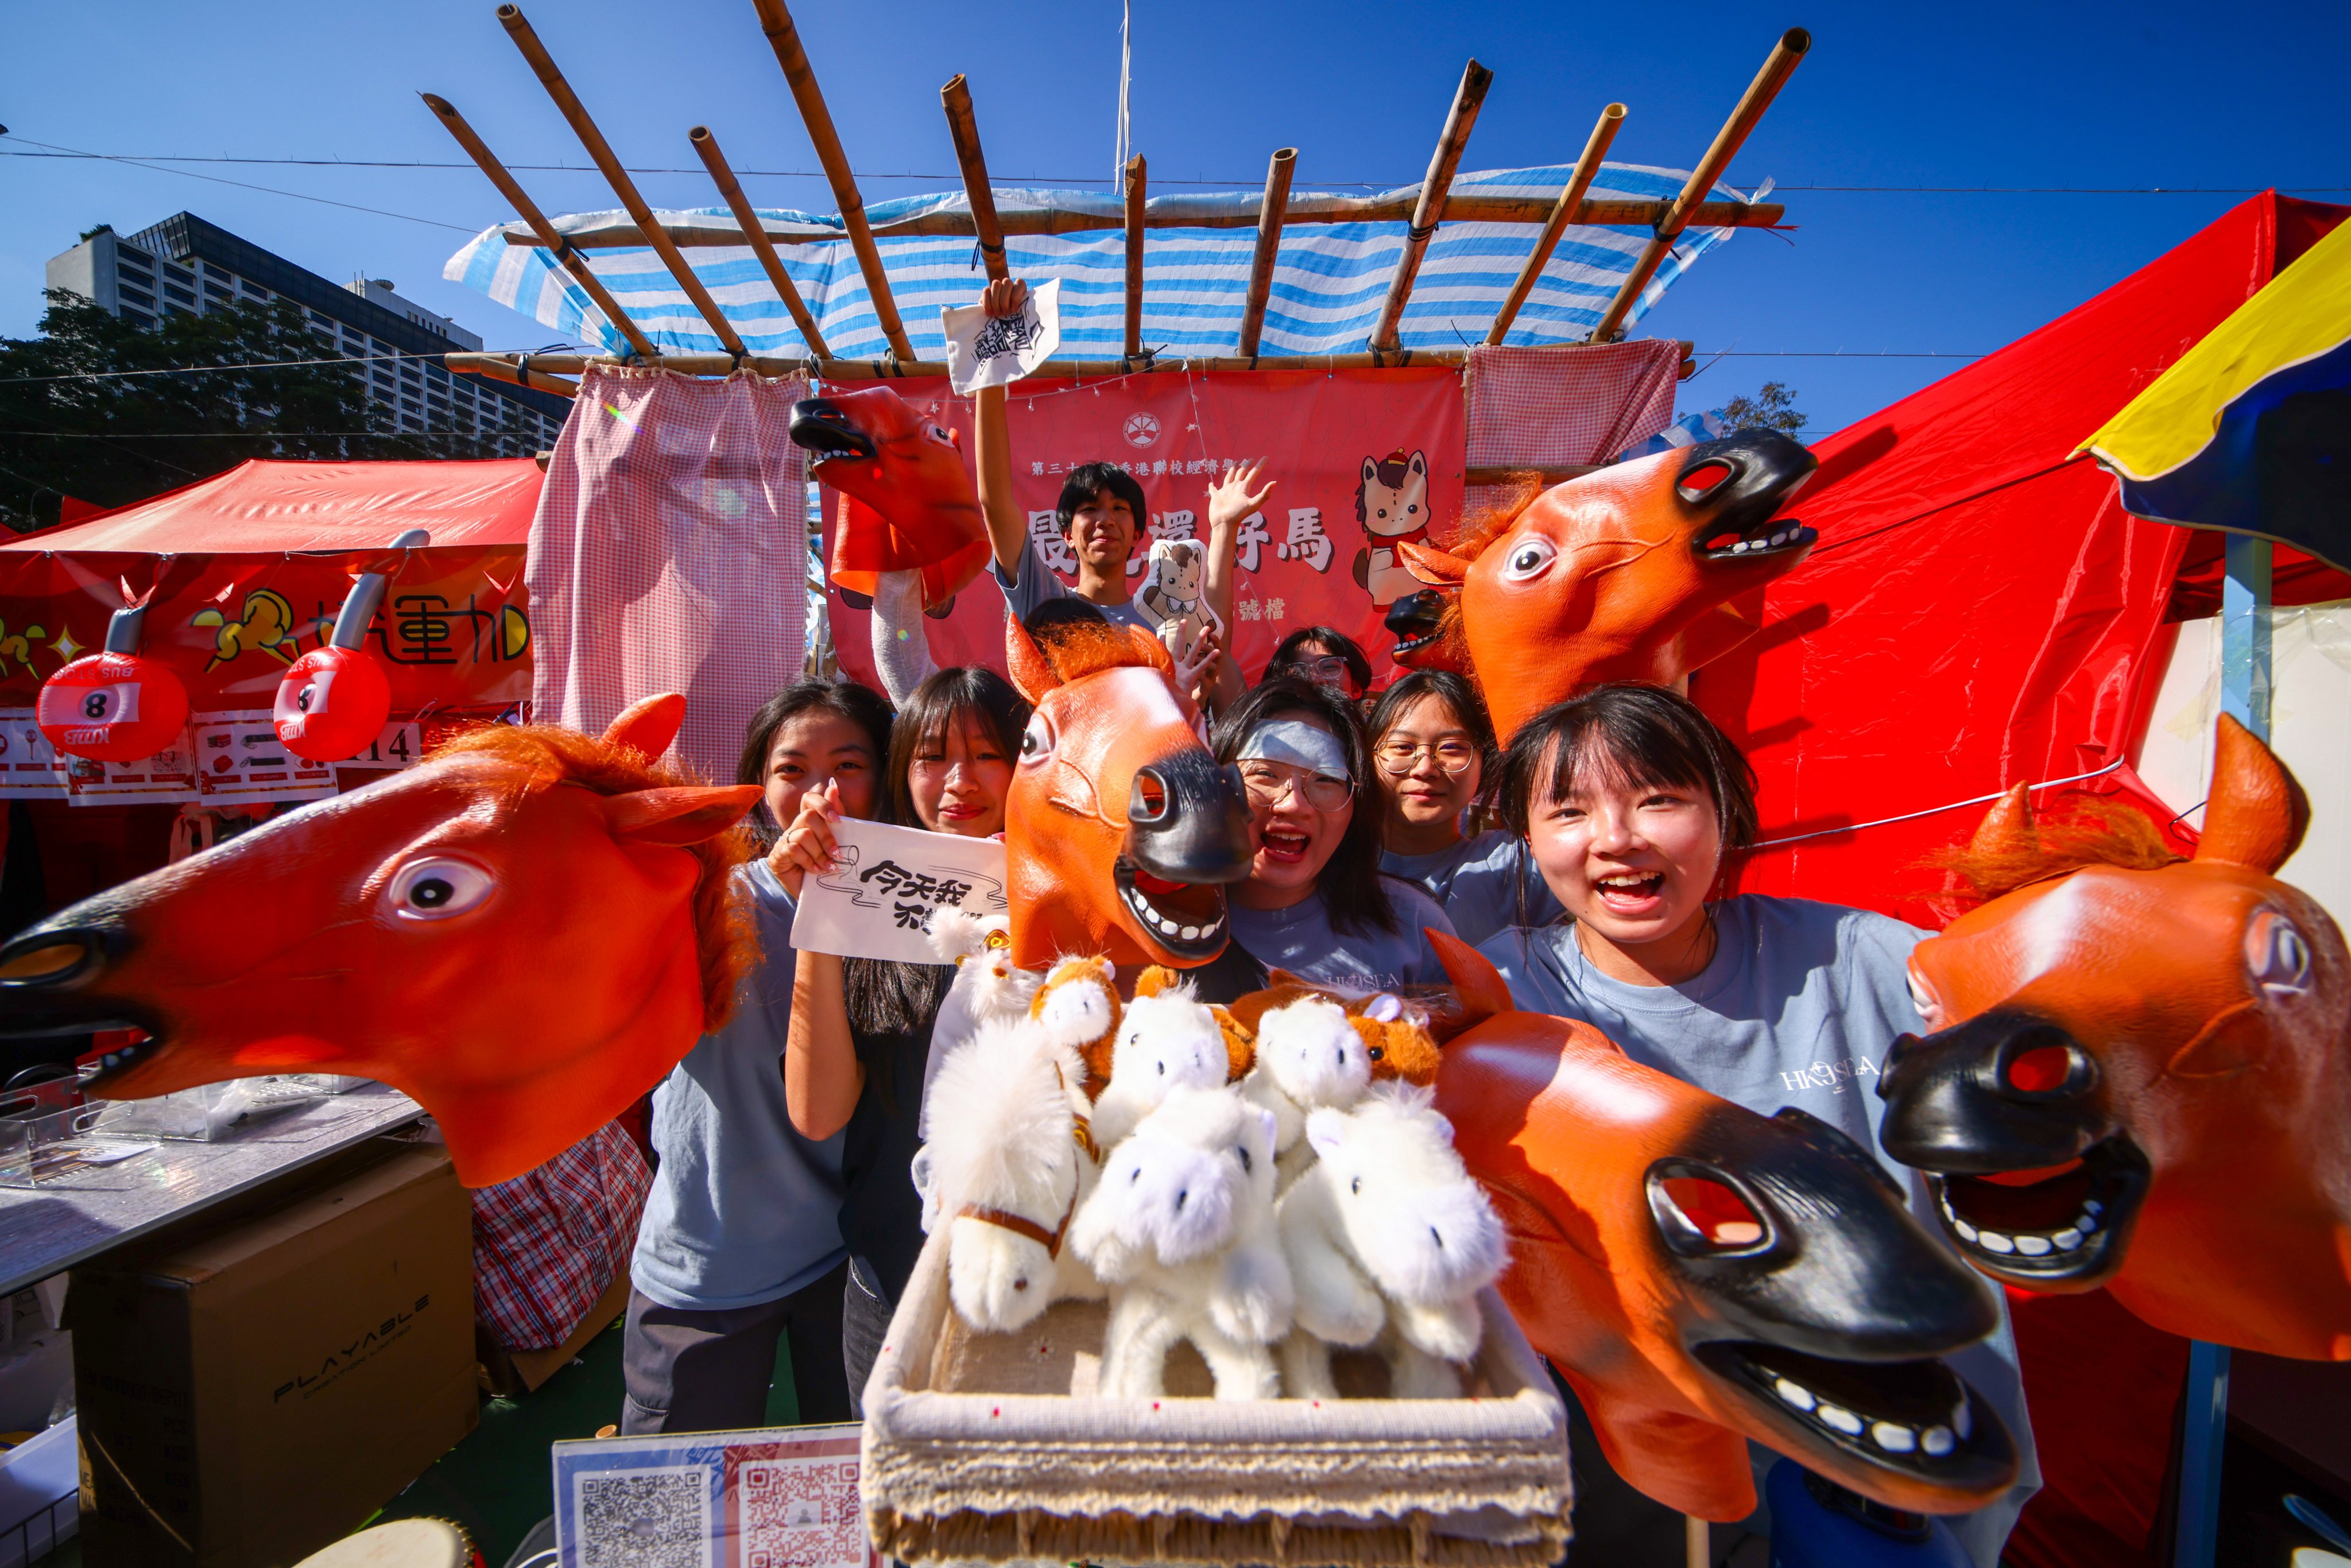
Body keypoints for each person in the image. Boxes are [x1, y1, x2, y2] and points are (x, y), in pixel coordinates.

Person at [1476, 682, 2039, 1567]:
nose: (1617, 837)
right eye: (1569, 810)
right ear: (1526, 839)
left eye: (1658, 799)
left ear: (1724, 813)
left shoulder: (1854, 955)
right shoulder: (1500, 1000)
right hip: (1655, 1480)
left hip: (1900, 1441)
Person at [621, 679, 893, 1435]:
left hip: (843, 1264)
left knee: (850, 1492)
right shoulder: (704, 907)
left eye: (849, 764)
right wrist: (765, 890)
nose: (822, 791)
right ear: (759, 788)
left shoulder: (909, 915)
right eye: (792, 768)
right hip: (706, 1264)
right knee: (670, 1508)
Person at [775, 665, 1030, 1412]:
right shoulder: (863, 905)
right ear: (901, 770)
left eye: (986, 751)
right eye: (930, 754)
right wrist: (819, 920)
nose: (958, 779)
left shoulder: (1074, 899)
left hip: (1031, 1280)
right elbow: (819, 1113)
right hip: (890, 1281)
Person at [971, 277, 1272, 712]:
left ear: (1138, 535)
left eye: (1119, 509)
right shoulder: (1046, 603)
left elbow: (1212, 633)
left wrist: (1224, 527)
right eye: (1088, 509)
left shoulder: (1163, 613)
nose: (1104, 519)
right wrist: (991, 369)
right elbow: (994, 500)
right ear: (1066, 536)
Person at [1191, 676, 1458, 1001]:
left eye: (1327, 780)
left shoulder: (1414, 922)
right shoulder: (1162, 922)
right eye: (1265, 773)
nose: (1293, 805)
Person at [1369, 669, 1563, 948]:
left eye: (1451, 747)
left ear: (1484, 762)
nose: (1425, 768)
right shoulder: (1327, 862)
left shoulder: (1516, 865)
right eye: (1402, 747)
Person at [1263, 625, 1373, 705]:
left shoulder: (1379, 736)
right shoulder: (1261, 734)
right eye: (1299, 671)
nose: (1315, 679)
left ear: (1356, 688)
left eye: (1328, 667)